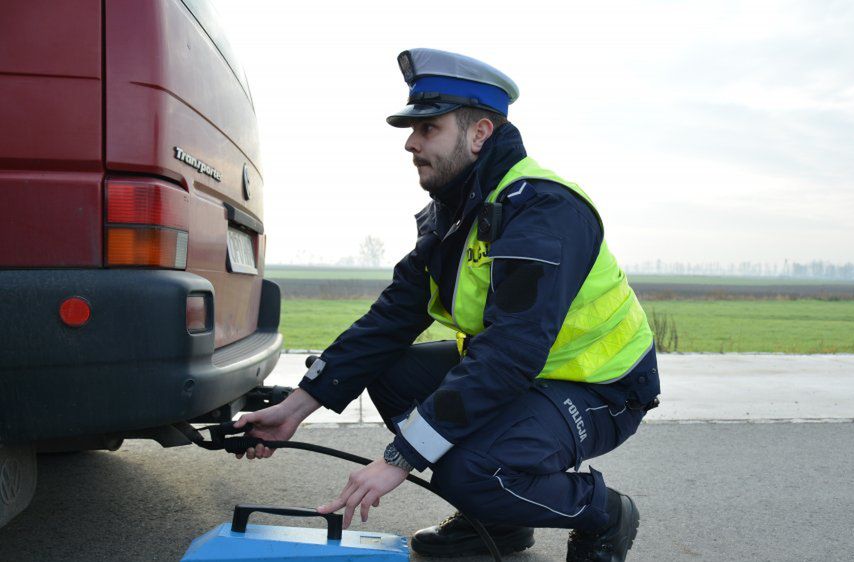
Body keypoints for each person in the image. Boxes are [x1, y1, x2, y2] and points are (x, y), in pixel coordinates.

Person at [234, 48, 661, 562]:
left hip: (600, 386)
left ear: (480, 133)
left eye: (428, 129)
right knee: (387, 371)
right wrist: (299, 406)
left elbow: (509, 352)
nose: (411, 144)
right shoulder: (455, 214)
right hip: (525, 373)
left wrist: (402, 457)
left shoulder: (543, 210)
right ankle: (499, 524)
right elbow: (392, 318)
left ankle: (602, 511)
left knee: (468, 470)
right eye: (411, 131)